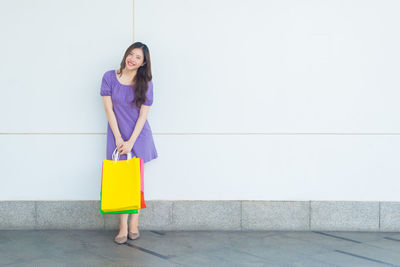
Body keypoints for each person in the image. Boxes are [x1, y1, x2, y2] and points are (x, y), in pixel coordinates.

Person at [100, 42, 158, 244]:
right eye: (131, 54)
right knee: (122, 181)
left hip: (138, 136)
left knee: (136, 181)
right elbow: (109, 110)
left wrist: (131, 141)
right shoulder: (109, 77)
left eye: (138, 57)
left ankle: (135, 222)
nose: (132, 59)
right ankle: (122, 225)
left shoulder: (146, 83)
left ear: (143, 63)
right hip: (117, 134)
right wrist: (118, 138)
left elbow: (143, 116)